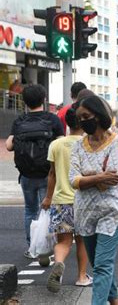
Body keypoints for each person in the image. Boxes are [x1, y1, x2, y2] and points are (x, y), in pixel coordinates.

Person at [70, 95, 118, 305]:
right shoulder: (78, 146)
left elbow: (113, 179)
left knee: (102, 265)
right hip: (85, 212)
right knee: (100, 264)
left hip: (112, 210)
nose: (82, 121)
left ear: (98, 116)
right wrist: (98, 176)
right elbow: (74, 180)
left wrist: (87, 177)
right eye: (79, 118)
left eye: (86, 116)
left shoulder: (117, 142)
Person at [5, 84, 64, 259]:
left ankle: (32, 246)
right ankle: (48, 246)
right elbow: (60, 144)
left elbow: (9, 145)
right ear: (44, 100)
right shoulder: (51, 120)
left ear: (24, 102)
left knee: (30, 210)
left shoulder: (19, 120)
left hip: (26, 175)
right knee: (49, 209)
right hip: (48, 173)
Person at [41, 106, 92, 293]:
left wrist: (47, 197)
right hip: (83, 200)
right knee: (82, 241)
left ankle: (59, 264)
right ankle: (81, 277)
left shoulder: (56, 144)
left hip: (61, 200)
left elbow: (52, 174)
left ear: (66, 123)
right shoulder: (88, 143)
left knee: (63, 241)